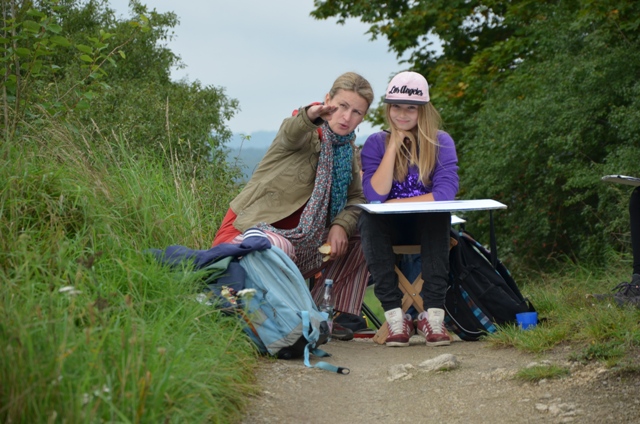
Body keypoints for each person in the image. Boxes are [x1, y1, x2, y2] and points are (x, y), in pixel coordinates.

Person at [212, 72, 374, 339]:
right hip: (250, 236)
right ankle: (294, 317)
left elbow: (356, 198)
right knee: (277, 245)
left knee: (366, 234)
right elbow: (292, 131)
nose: (347, 117)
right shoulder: (303, 133)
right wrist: (311, 114)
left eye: (357, 112)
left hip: (300, 246)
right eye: (342, 106)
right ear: (327, 100)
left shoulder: (347, 151)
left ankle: (324, 314)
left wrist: (340, 225)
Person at [358, 71, 459, 347]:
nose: (402, 114)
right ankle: (395, 316)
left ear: (422, 110)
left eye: (410, 108)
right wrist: (393, 146)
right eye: (396, 107)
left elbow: (445, 194)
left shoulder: (440, 142)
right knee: (368, 218)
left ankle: (433, 315)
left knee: (437, 215)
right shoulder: (375, 143)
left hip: (427, 228)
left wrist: (396, 203)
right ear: (388, 109)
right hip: (388, 230)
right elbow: (375, 196)